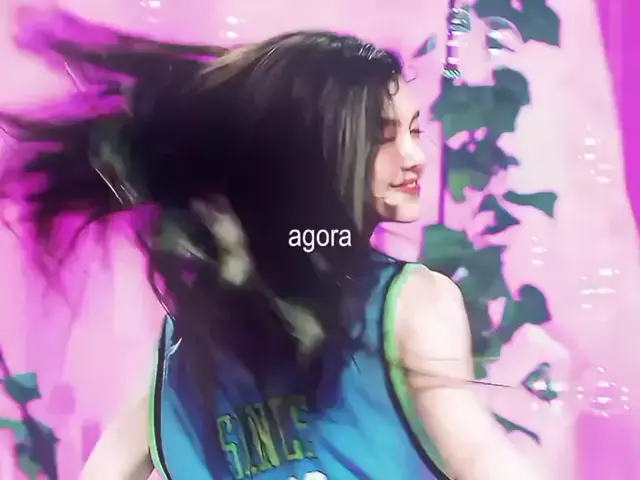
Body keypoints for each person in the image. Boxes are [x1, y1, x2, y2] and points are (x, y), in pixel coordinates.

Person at [1, 8, 546, 480]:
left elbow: (481, 458)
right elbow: (479, 459)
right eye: (383, 137)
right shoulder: (405, 304)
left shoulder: (188, 339)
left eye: (415, 130)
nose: (415, 157)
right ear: (313, 154)